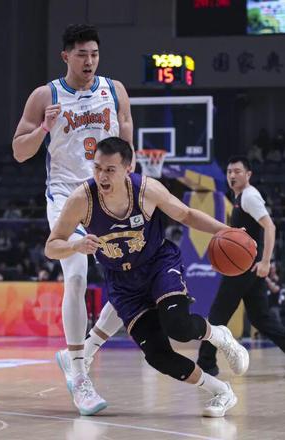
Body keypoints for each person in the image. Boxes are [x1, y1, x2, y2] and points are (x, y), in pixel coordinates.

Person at [45, 137, 249, 417]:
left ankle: (219, 335)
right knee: (157, 356)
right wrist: (75, 246)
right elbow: (51, 246)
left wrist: (225, 231)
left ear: (128, 169)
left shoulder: (146, 190)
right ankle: (221, 391)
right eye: (97, 168)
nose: (102, 176)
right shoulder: (82, 199)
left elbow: (187, 215)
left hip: (157, 265)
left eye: (110, 170)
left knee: (178, 326)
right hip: (122, 283)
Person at [12, 24, 131, 414]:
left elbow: (127, 141)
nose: (89, 61)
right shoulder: (45, 95)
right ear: (66, 56)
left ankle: (83, 350)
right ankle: (80, 375)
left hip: (108, 196)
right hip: (66, 198)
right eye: (82, 54)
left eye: (94, 54)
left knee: (134, 283)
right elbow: (19, 152)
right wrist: (44, 127)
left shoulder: (115, 90)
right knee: (77, 275)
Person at [197, 156, 285, 378]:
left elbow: (270, 227)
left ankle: (206, 362)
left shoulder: (249, 196)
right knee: (261, 318)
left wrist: (266, 262)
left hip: (244, 266)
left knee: (218, 313)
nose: (232, 175)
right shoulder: (240, 197)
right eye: (229, 171)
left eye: (237, 171)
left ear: (248, 174)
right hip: (248, 265)